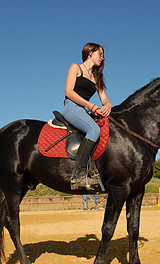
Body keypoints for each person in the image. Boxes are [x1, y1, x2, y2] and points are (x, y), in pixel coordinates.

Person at [63, 43, 112, 190]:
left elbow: (103, 97)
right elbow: (69, 92)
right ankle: (78, 176)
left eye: (103, 56)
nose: (102, 58)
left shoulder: (96, 76)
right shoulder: (76, 68)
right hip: (72, 107)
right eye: (100, 54)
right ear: (90, 53)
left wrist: (107, 105)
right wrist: (91, 106)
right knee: (94, 131)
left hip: (84, 110)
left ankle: (93, 172)